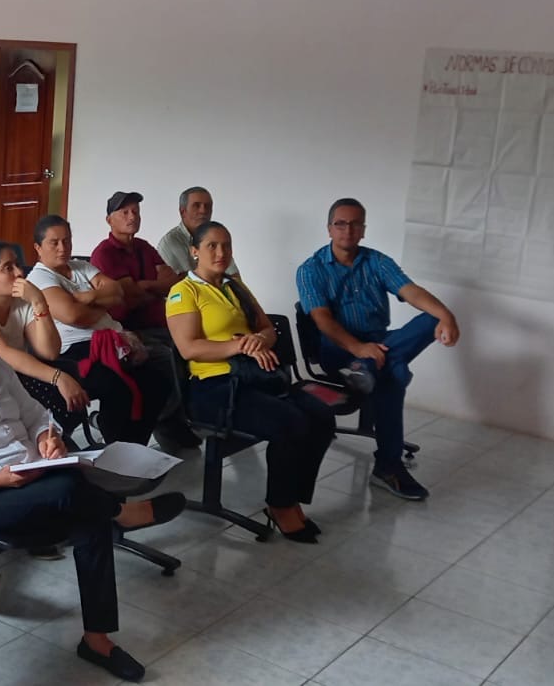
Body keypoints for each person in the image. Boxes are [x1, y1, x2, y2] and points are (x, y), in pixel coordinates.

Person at [0, 294, 179, 682]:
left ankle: (97, 639)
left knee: (85, 513)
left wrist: (49, 439)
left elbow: (36, 416)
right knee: (70, 490)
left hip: (31, 478)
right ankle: (121, 513)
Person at [167, 222, 340, 542]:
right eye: (212, 246)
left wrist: (257, 340)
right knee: (290, 422)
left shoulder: (236, 287)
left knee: (322, 417)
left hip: (253, 378)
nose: (221, 252)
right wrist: (241, 345)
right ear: (194, 251)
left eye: (226, 245)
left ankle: (292, 497)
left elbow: (268, 329)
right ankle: (281, 505)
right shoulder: (184, 292)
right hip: (214, 389)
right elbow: (189, 348)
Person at [295, 198, 460, 501]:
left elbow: (411, 292)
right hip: (338, 349)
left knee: (430, 318)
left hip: (380, 343)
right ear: (329, 228)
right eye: (340, 224)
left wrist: (447, 315)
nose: (348, 230)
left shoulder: (377, 261)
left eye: (355, 224)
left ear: (363, 229)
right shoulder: (310, 269)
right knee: (394, 375)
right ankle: (388, 466)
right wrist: (358, 348)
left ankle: (366, 370)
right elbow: (322, 320)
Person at [26, 215, 175, 447]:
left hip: (116, 341)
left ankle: (134, 445)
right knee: (119, 385)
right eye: (54, 243)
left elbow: (117, 293)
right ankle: (119, 445)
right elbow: (74, 316)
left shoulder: (80, 266)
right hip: (76, 351)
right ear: (38, 248)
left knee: (158, 379)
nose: (63, 248)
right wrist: (102, 303)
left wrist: (89, 298)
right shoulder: (39, 277)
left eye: (67, 240)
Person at [0, 240, 90, 426]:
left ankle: (55, 436)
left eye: (18, 265)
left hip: (11, 374)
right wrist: (58, 377)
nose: (19, 273)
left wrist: (39, 302)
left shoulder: (21, 300)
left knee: (69, 369)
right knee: (53, 381)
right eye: (8, 268)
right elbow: (4, 354)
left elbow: (49, 352)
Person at [89, 191, 181, 333]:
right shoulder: (104, 253)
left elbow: (173, 283)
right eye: (125, 213)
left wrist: (146, 285)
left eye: (136, 212)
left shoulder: (144, 246)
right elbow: (130, 296)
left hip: (164, 323)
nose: (132, 217)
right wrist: (157, 291)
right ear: (109, 220)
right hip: (128, 330)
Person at [156, 187, 238, 276]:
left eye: (207, 206)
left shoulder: (217, 238)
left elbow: (234, 276)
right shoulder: (169, 243)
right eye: (197, 206)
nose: (203, 211)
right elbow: (170, 281)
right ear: (183, 212)